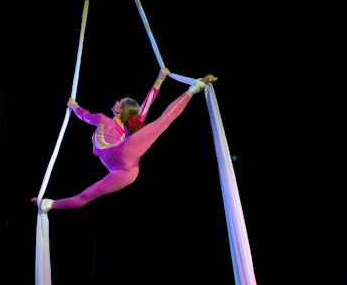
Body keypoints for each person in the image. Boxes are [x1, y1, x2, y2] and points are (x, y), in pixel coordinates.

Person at [33, 69, 217, 211]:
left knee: (85, 197)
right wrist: (159, 80)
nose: (116, 101)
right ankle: (47, 205)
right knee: (86, 196)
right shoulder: (130, 127)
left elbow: (85, 115)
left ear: (120, 110)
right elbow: (146, 104)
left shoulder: (103, 119)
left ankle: (48, 205)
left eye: (119, 101)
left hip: (118, 155)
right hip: (127, 171)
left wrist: (74, 106)